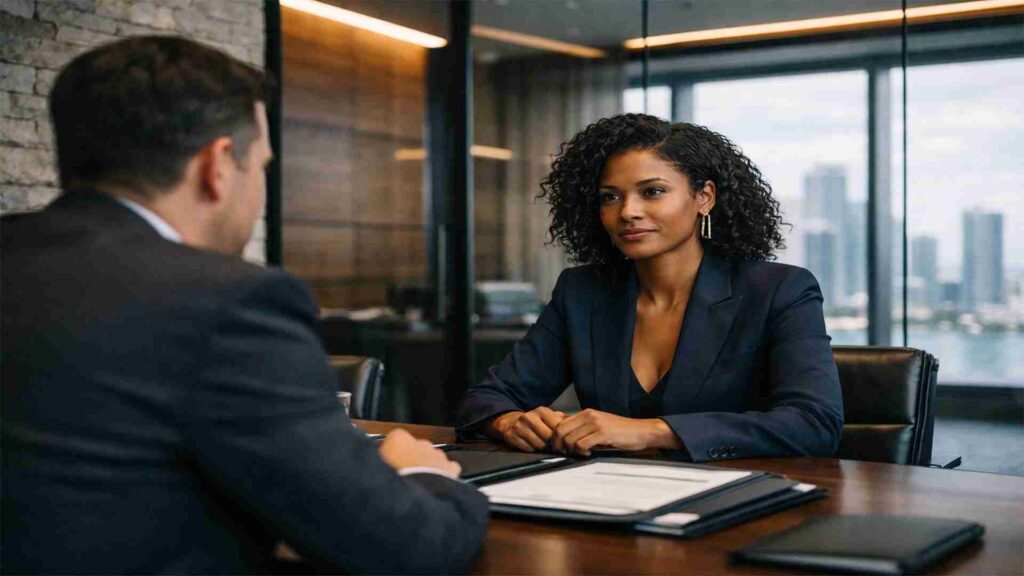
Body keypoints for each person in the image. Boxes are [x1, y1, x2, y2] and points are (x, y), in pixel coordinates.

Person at [1, 36, 486, 574]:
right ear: (219, 166)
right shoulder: (226, 301)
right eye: (262, 168)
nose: (259, 196)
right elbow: (404, 547)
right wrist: (425, 477)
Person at [457, 114, 844, 462]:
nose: (628, 212)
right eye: (611, 197)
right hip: (608, 505)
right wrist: (509, 422)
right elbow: (486, 399)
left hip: (737, 504)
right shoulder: (583, 292)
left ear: (704, 198)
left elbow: (814, 423)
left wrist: (651, 431)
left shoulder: (779, 290)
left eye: (652, 191)